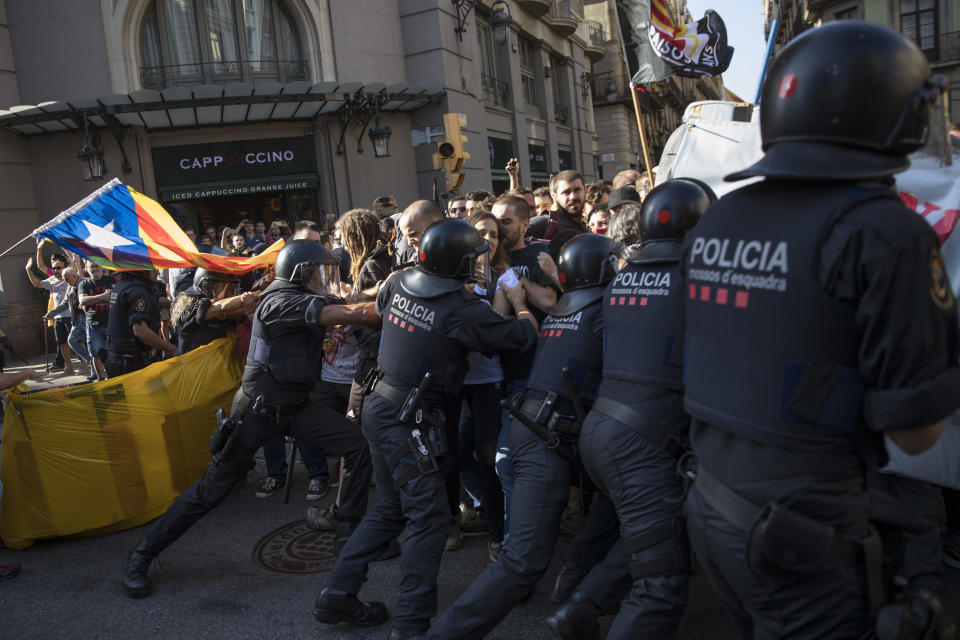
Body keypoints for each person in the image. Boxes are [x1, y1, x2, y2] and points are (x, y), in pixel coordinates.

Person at [682, 22, 959, 638]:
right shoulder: (886, 233)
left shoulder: (720, 217)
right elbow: (916, 436)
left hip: (713, 505)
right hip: (804, 534)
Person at [313, 218, 539, 640]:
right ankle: (411, 625)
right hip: (407, 420)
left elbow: (387, 312)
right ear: (457, 263)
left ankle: (336, 594)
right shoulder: (461, 309)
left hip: (379, 406)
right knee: (432, 519)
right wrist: (520, 302)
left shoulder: (398, 283)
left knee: (389, 509)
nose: (478, 266)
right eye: (472, 260)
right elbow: (520, 336)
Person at [121, 240, 378, 599]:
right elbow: (354, 313)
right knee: (212, 489)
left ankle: (347, 534)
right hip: (259, 410)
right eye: (320, 272)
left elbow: (347, 302)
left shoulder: (297, 296)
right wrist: (392, 303)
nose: (325, 279)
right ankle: (141, 555)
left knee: (356, 446)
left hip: (295, 406)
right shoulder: (280, 301)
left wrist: (386, 287)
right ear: (301, 272)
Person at [423, 233, 620, 639]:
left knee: (624, 506)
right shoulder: (600, 309)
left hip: (544, 429)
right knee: (522, 561)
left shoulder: (566, 305)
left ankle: (578, 594)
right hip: (547, 437)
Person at [551, 179, 715, 640]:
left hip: (607, 430)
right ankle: (577, 608)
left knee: (658, 533)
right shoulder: (698, 279)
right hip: (645, 441)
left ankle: (579, 608)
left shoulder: (624, 276)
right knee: (662, 582)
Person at [491, 195, 558, 540]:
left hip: (529, 374)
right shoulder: (485, 258)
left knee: (512, 461)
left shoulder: (538, 257)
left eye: (505, 221)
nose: (499, 227)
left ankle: (518, 541)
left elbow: (550, 302)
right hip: (489, 377)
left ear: (523, 223)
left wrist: (514, 279)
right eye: (495, 221)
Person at [104, 270, 178, 377]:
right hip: (130, 363)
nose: (157, 273)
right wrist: (172, 349)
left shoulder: (122, 285)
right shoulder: (138, 291)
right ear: (142, 270)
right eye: (153, 270)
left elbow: (152, 301)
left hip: (116, 358)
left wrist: (175, 304)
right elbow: (140, 330)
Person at [170, 268, 258, 354]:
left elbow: (238, 310)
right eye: (226, 289)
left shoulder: (227, 314)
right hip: (195, 367)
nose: (230, 294)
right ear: (208, 287)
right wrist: (253, 295)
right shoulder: (191, 311)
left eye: (231, 289)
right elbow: (221, 307)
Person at [24, 246, 75, 374]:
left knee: (76, 341)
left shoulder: (71, 275)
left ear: (66, 267)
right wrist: (28, 269)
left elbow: (74, 261)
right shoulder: (51, 279)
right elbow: (37, 283)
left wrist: (63, 245)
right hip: (57, 316)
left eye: (58, 267)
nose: (56, 270)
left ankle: (87, 365)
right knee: (62, 343)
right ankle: (68, 367)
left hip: (72, 315)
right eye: (54, 268)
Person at [528, 170, 588, 254]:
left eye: (577, 190)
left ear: (585, 191)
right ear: (554, 196)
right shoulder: (545, 223)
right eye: (566, 192)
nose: (573, 197)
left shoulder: (588, 227)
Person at [78, 261, 114, 380]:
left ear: (102, 267)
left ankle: (112, 377)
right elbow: (83, 300)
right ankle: (101, 379)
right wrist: (103, 296)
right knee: (96, 353)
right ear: (86, 269)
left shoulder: (110, 280)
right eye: (91, 266)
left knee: (112, 351)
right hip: (93, 323)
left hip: (111, 321)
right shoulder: (84, 284)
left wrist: (92, 300)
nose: (94, 268)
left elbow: (111, 297)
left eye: (97, 265)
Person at [395, 200, 444, 267]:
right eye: (405, 237)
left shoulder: (459, 257)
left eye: (413, 234)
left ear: (436, 227)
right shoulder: (407, 256)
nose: (409, 243)